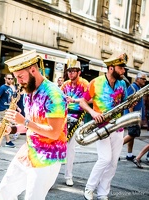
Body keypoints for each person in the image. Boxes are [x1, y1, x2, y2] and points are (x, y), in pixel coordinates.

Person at [0, 49, 67, 200]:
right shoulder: (29, 90)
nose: (19, 82)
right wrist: (13, 128)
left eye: (21, 77)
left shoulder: (53, 94)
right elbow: (31, 125)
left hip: (48, 155)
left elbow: (54, 132)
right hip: (29, 149)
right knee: (5, 190)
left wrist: (24, 121)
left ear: (33, 70)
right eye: (16, 78)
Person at [79, 53, 129, 200]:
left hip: (118, 127)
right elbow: (82, 101)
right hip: (101, 127)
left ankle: (103, 192)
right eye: (121, 68)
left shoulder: (122, 84)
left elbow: (125, 102)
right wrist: (93, 113)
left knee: (113, 162)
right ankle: (89, 188)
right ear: (111, 67)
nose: (123, 71)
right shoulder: (96, 82)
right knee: (105, 159)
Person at [60, 59, 89, 187]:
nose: (70, 74)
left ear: (79, 72)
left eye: (73, 71)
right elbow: (58, 96)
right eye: (69, 71)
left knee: (70, 149)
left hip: (77, 117)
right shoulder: (65, 84)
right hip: (64, 117)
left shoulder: (84, 83)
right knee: (58, 146)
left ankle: (68, 176)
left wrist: (74, 100)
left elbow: (90, 99)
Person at [123, 72, 147, 161]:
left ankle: (129, 154)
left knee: (132, 134)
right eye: (143, 79)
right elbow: (129, 103)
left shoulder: (137, 88)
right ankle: (114, 150)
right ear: (137, 79)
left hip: (134, 116)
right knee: (132, 133)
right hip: (132, 116)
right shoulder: (133, 88)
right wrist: (132, 117)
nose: (145, 80)